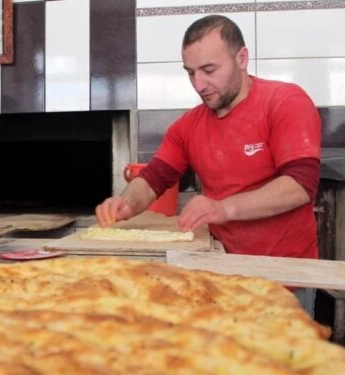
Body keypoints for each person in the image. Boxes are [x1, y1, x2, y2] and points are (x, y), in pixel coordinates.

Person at [96, 15, 321, 258]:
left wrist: (223, 208)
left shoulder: (285, 102)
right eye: (191, 73)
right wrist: (127, 203)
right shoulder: (187, 127)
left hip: (287, 269)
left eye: (208, 70)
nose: (199, 84)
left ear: (242, 58)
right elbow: (154, 179)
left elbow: (300, 185)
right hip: (222, 263)